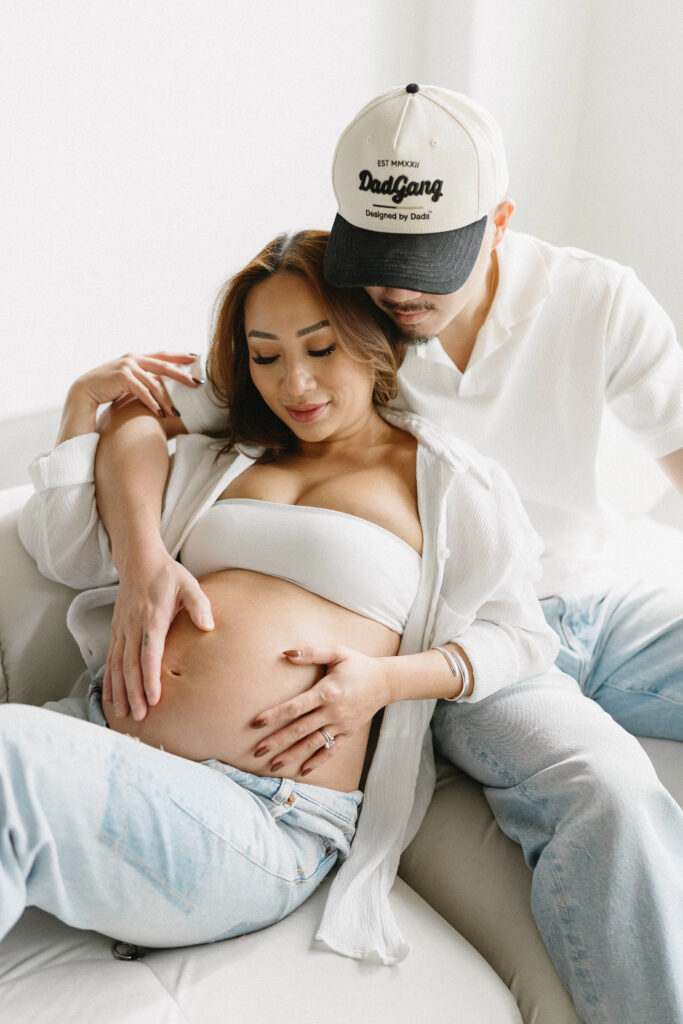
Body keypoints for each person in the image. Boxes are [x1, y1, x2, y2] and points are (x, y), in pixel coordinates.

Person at [89, 87, 683, 1023]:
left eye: (426, 264)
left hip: (598, 599)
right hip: (463, 630)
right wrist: (139, 555)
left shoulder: (596, 299)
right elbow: (141, 409)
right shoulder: (338, 324)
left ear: (498, 223)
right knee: (607, 790)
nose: (399, 294)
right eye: (379, 259)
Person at [13, 230, 558, 962]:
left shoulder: (447, 479)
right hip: (99, 739)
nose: (295, 384)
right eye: (265, 356)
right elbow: (72, 535)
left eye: (321, 348)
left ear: (371, 338)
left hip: (261, 816)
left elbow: (522, 636)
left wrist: (385, 682)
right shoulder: (225, 456)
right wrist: (143, 560)